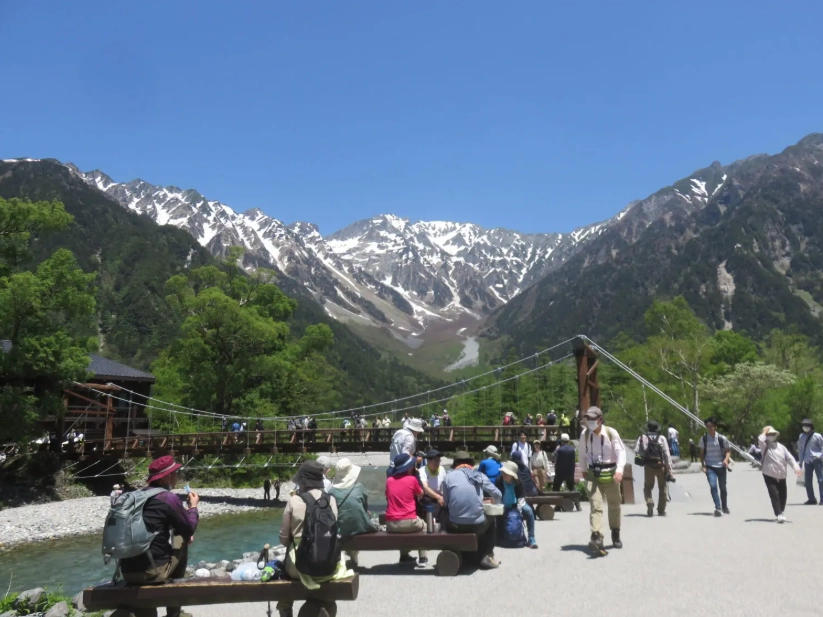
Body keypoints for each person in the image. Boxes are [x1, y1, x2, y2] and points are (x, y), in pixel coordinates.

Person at [120, 456, 200, 617]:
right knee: (181, 539)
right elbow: (189, 528)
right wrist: (193, 507)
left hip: (127, 571)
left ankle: (146, 612)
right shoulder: (168, 498)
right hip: (152, 572)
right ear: (167, 476)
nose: (177, 476)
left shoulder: (134, 497)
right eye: (175, 473)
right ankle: (174, 613)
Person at [278, 461, 351, 617]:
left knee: (284, 575)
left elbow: (284, 539)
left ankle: (285, 609)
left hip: (298, 567)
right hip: (327, 562)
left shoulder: (293, 501)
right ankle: (323, 608)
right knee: (324, 581)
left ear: (302, 481)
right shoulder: (330, 500)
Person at [441, 451, 502, 569]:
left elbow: (446, 503)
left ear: (456, 464)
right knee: (491, 519)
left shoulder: (448, 476)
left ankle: (451, 548)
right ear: (470, 463)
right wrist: (493, 501)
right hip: (477, 525)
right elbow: (498, 494)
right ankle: (487, 555)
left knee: (444, 515)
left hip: (455, 526)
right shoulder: (479, 475)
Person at [578, 406, 626, 556]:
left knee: (614, 505)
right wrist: (584, 470)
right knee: (595, 506)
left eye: (592, 419)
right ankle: (597, 536)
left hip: (611, 473)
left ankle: (615, 532)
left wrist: (619, 470)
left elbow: (621, 452)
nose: (590, 422)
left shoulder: (611, 433)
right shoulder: (585, 435)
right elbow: (582, 454)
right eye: (588, 419)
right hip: (594, 474)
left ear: (600, 419)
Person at [329, 458, 377, 569]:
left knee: (344, 522)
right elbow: (365, 506)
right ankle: (353, 556)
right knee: (358, 518)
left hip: (342, 528)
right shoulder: (359, 487)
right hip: (361, 526)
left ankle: (350, 557)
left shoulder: (332, 491)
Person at [385, 453, 428, 566]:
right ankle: (423, 558)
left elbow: (387, 496)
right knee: (424, 526)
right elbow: (421, 495)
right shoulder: (412, 479)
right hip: (409, 522)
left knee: (403, 527)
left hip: (391, 524)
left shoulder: (389, 480)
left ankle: (404, 555)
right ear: (408, 467)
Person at [758, 426, 801, 523]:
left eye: (773, 434)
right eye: (769, 434)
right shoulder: (764, 446)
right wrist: (765, 430)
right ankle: (778, 514)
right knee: (774, 494)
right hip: (769, 474)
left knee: (783, 495)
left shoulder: (782, 447)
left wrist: (796, 468)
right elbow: (760, 439)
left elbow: (790, 458)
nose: (771, 436)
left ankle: (781, 511)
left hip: (781, 474)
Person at [495, 461, 538, 549]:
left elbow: (521, 499)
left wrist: (518, 512)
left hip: (517, 505)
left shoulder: (519, 483)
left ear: (512, 475)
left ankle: (531, 538)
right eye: (503, 473)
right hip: (502, 504)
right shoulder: (499, 480)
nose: (503, 475)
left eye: (506, 474)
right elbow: (497, 497)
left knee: (529, 511)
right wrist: (501, 508)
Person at [635, 420, 673, 517]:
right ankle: (661, 509)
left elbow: (637, 450)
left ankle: (649, 501)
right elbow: (667, 454)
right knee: (662, 488)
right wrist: (669, 469)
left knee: (648, 487)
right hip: (661, 466)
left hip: (648, 466)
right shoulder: (662, 438)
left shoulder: (642, 437)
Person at [699, 417, 731, 517]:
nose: (710, 428)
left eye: (711, 426)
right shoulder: (704, 439)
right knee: (713, 486)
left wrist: (726, 460)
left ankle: (724, 506)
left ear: (715, 427)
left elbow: (728, 450)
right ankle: (718, 507)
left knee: (723, 488)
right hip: (710, 466)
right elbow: (701, 453)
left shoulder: (722, 438)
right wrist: (703, 465)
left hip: (721, 466)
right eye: (708, 426)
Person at [797, 418, 823, 505]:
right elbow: (800, 449)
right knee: (807, 481)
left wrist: (820, 456)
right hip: (807, 460)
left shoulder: (817, 436)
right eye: (804, 425)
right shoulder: (801, 436)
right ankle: (811, 499)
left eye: (807, 425)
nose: (805, 427)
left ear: (811, 427)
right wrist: (800, 462)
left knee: (821, 479)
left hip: (817, 459)